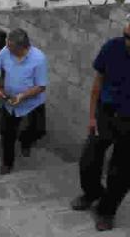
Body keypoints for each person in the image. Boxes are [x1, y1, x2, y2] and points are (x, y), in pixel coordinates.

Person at [70, 16, 130, 232]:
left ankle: (107, 211)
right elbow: (97, 84)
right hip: (105, 113)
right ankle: (92, 192)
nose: (128, 42)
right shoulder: (112, 48)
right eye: (127, 37)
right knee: (89, 159)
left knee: (121, 172)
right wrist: (92, 117)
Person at [0, 28, 48, 175]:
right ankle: (7, 163)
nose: (7, 49)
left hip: (32, 104)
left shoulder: (39, 59)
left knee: (39, 130)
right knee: (7, 134)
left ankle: (25, 140)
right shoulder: (6, 50)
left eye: (11, 47)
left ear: (23, 47)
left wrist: (22, 96)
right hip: (10, 102)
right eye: (7, 46)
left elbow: (41, 86)